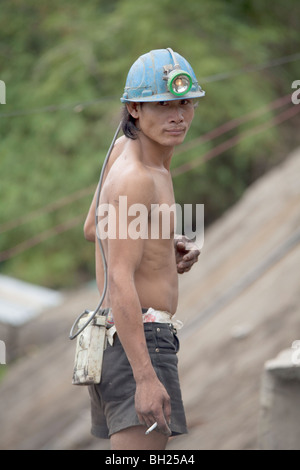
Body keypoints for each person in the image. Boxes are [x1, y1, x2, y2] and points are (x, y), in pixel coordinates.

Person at [83, 48, 204, 450]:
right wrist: (146, 377)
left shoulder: (131, 152)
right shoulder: (136, 176)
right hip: (139, 341)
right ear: (134, 108)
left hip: (129, 339)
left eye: (185, 103)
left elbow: (92, 228)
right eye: (162, 104)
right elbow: (119, 276)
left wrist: (162, 245)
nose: (177, 116)